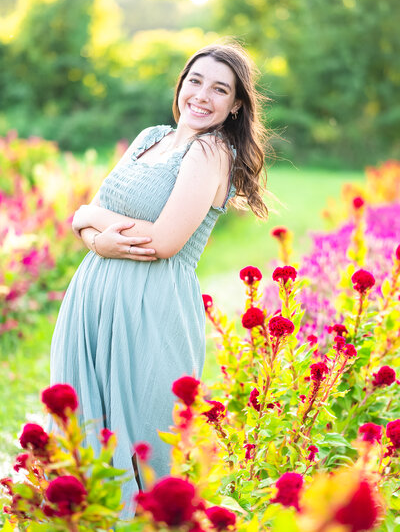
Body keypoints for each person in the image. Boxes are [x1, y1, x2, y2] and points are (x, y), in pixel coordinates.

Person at [50, 42, 269, 518]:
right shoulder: (151, 136)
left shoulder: (212, 150)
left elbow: (164, 240)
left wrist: (90, 218)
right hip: (93, 300)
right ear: (181, 84)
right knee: (84, 437)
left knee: (142, 449)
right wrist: (93, 235)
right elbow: (83, 219)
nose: (202, 96)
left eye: (220, 89)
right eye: (195, 81)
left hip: (150, 311)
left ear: (235, 105)